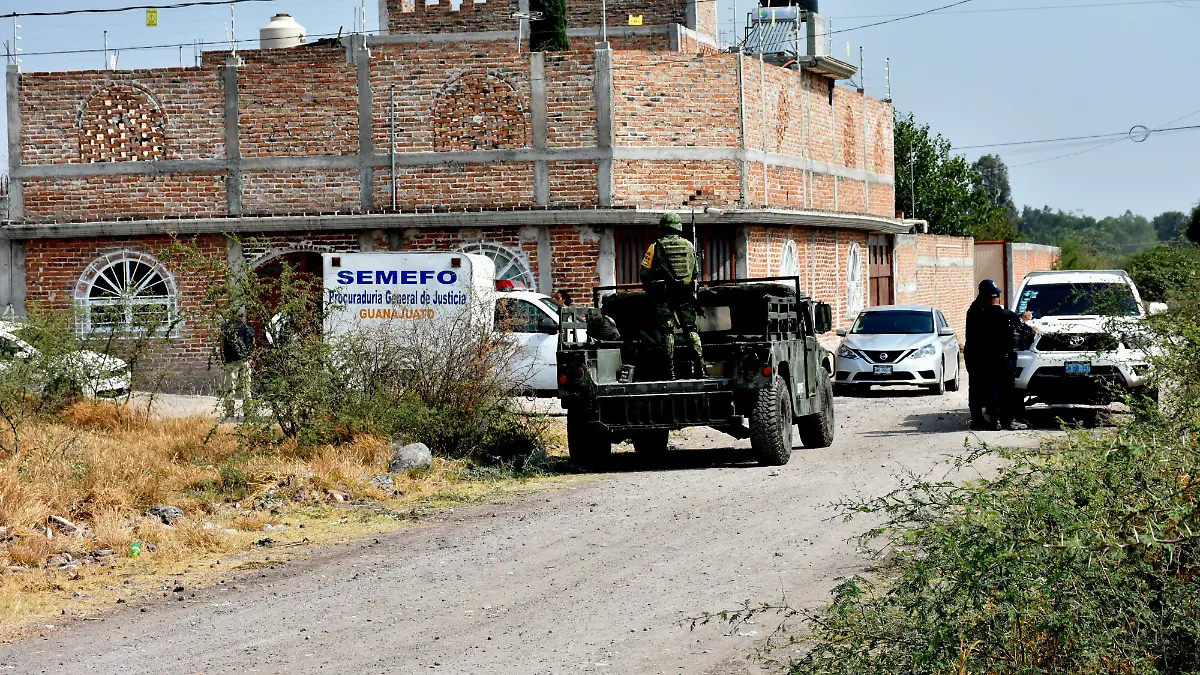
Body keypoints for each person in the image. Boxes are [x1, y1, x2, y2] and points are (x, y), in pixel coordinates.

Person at [639, 213, 703, 380]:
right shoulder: (689, 245)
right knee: (691, 330)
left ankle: (670, 371)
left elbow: (644, 273)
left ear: (664, 228)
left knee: (667, 332)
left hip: (663, 295)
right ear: (678, 228)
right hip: (685, 295)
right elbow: (695, 272)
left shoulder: (655, 247)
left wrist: (652, 291)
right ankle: (700, 368)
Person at [965, 279, 1035, 431]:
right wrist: (1026, 325)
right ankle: (1007, 421)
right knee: (1007, 390)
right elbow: (1026, 332)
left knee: (988, 389)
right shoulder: (1006, 314)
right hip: (1003, 359)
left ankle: (992, 421)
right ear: (996, 298)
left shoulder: (975, 312)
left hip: (982, 359)